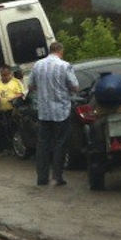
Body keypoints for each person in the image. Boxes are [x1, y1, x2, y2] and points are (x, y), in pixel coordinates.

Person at [28, 42, 79, 186]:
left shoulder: (38, 65)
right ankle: (57, 176)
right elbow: (75, 87)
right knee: (60, 143)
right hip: (61, 111)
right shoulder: (64, 66)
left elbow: (30, 86)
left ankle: (42, 178)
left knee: (43, 144)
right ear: (60, 51)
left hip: (44, 111)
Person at [0, 64, 25, 154]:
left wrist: (14, 97)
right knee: (3, 130)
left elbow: (21, 93)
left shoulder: (16, 82)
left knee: (13, 129)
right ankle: (6, 148)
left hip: (13, 111)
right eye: (2, 75)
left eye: (6, 75)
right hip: (2, 112)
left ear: (10, 74)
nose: (4, 77)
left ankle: (15, 148)